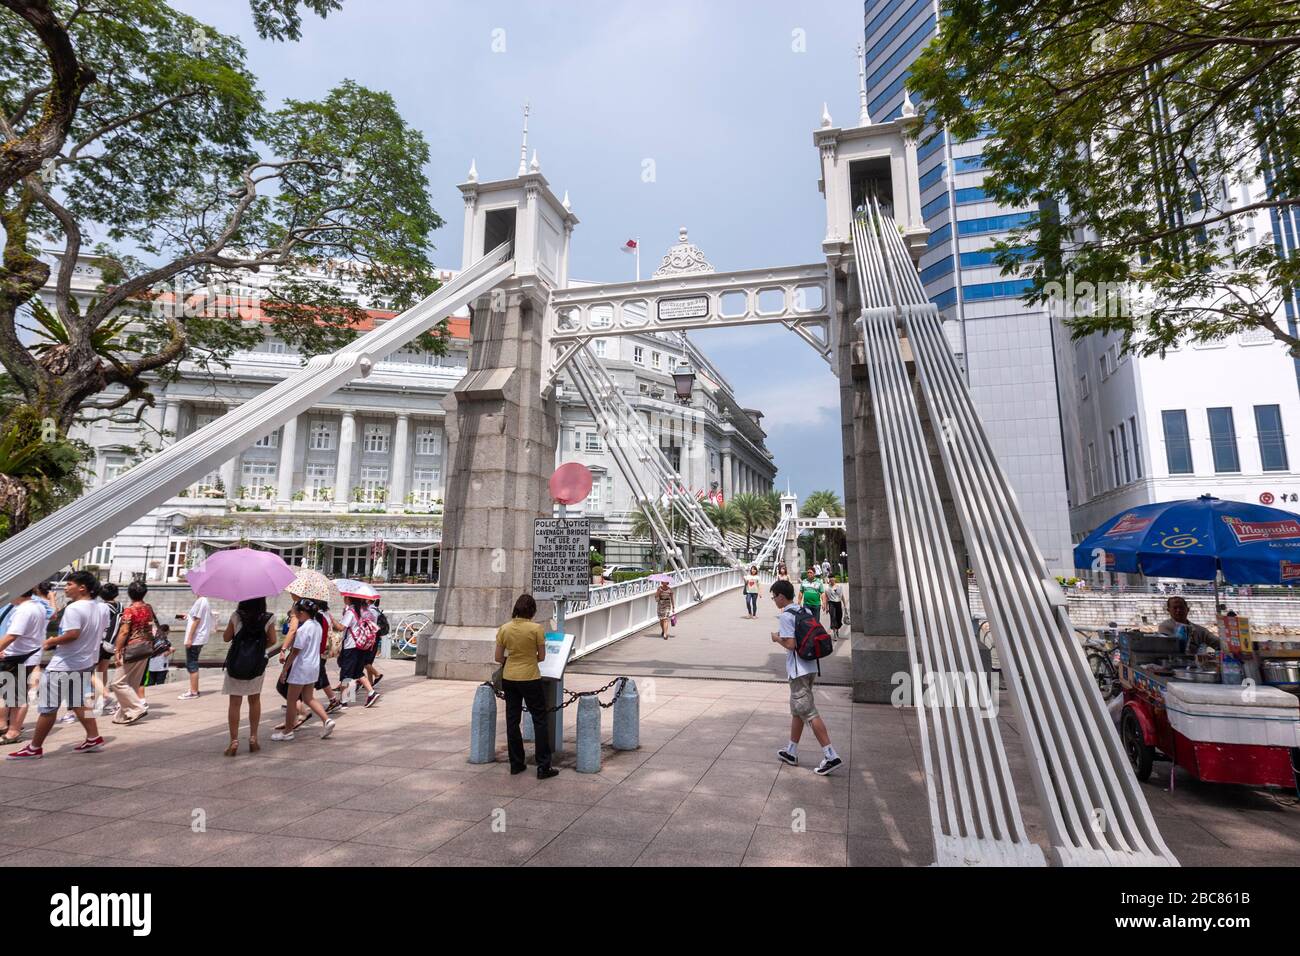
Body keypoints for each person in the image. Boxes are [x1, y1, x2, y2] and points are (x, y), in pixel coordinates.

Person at [7, 571, 106, 759]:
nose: (65, 588)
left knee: (47, 708)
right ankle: (93, 737)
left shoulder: (74, 608)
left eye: (69, 584)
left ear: (82, 587)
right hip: (86, 661)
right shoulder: (100, 608)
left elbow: (72, 634)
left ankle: (35, 747)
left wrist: (51, 641)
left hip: (64, 664)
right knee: (77, 701)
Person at [769, 580, 841, 775]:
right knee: (798, 710)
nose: (774, 600)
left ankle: (831, 755)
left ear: (781, 597)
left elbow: (791, 644)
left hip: (798, 670)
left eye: (774, 596)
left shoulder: (785, 616)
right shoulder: (805, 611)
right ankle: (791, 750)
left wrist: (777, 638)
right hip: (810, 666)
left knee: (808, 712)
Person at [494, 594, 558, 779]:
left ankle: (516, 763)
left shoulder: (504, 629)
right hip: (530, 677)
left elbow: (498, 657)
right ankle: (543, 766)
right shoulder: (536, 628)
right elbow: (542, 656)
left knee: (512, 721)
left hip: (510, 678)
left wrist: (512, 659)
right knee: (539, 719)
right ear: (532, 611)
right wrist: (527, 659)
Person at [272, 598, 335, 742]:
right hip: (314, 665)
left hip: (301, 667)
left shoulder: (303, 629)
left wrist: (284, 670)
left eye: (296, 611)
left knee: (291, 700)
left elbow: (295, 652)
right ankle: (327, 720)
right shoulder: (317, 625)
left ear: (302, 612)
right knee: (308, 698)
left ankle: (288, 732)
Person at [221, 597, 277, 756]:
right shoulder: (268, 617)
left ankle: (233, 741)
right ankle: (253, 737)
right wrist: (258, 648)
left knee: (235, 702)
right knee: (254, 700)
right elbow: (273, 640)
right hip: (256, 664)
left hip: (237, 663)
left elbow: (226, 637)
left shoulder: (236, 616)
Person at [0, 588, 48, 745]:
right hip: (24, 655)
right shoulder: (37, 605)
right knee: (10, 695)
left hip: (17, 658)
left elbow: (13, 634)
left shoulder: (24, 610)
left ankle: (13, 732)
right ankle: (5, 726)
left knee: (17, 697)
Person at [108, 580, 156, 725]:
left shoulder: (129, 610)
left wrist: (117, 649)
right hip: (146, 647)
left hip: (132, 648)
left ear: (129, 593)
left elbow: (123, 632)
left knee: (117, 683)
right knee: (133, 683)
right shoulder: (148, 608)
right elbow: (151, 625)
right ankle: (123, 715)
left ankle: (137, 707)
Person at [335, 596, 380, 708]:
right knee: (358, 672)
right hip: (361, 645)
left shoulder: (351, 611)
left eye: (346, 597)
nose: (344, 598)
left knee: (346, 674)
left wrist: (332, 620)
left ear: (350, 599)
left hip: (351, 645)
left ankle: (344, 701)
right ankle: (371, 692)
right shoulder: (364, 610)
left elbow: (341, 627)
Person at [91, 582, 122, 717]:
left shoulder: (101, 607)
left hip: (100, 642)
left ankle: (106, 696)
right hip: (111, 643)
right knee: (102, 671)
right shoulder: (120, 606)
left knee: (88, 671)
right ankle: (101, 700)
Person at [179, 593, 212, 699]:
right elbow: (196, 618)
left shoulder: (201, 601)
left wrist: (189, 638)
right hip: (199, 638)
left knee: (192, 664)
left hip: (195, 639)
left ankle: (193, 692)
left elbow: (197, 620)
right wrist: (187, 617)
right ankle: (194, 689)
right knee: (192, 662)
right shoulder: (204, 601)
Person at [141, 625, 172, 699]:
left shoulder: (152, 640)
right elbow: (166, 653)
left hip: (151, 666)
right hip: (161, 666)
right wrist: (171, 650)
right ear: (166, 631)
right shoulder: (166, 642)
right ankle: (159, 696)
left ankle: (149, 696)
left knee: (151, 682)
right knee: (160, 683)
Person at [363, 598, 385, 688]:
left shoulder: (370, 611)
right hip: (375, 637)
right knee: (369, 661)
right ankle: (370, 683)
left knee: (364, 661)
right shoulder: (377, 610)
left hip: (370, 638)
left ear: (369, 601)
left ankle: (377, 674)